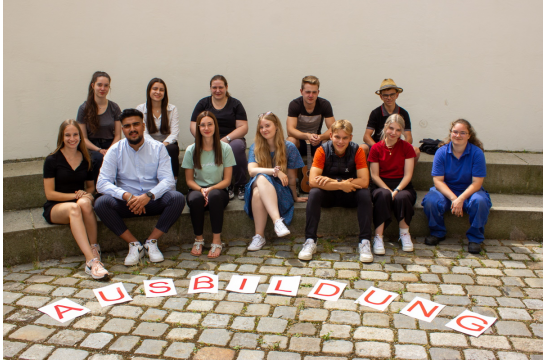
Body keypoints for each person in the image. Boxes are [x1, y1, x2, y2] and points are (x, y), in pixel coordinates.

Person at [95, 108, 185, 266]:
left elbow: (168, 180)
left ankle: (151, 241)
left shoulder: (158, 148)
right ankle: (134, 245)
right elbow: (101, 183)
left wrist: (148, 196)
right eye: (127, 126)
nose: (132, 129)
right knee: (101, 203)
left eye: (136, 124)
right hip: (127, 203)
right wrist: (127, 196)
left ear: (143, 126)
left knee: (177, 198)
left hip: (151, 200)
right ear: (123, 129)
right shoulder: (115, 150)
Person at [300, 120, 374, 262]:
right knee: (314, 193)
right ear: (330, 135)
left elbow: (364, 181)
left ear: (350, 138)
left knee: (365, 193)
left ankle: (365, 241)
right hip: (330, 195)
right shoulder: (322, 150)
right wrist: (340, 184)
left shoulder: (357, 150)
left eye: (345, 137)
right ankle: (310, 240)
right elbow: (313, 181)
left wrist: (332, 182)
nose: (341, 141)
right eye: (337, 137)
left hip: (350, 194)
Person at [43, 120, 108, 279]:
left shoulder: (86, 158)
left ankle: (94, 247)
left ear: (80, 136)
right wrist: (75, 195)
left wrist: (85, 194)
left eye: (75, 134)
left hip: (79, 203)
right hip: (57, 207)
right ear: (61, 137)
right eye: (67, 135)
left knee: (85, 203)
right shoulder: (52, 160)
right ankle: (91, 261)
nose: (72, 138)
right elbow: (50, 194)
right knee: (75, 207)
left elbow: (91, 188)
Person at [421, 119, 492, 254]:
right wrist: (454, 198)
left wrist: (461, 198)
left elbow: (477, 182)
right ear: (451, 133)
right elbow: (438, 181)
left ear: (469, 135)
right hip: (446, 191)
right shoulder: (441, 152)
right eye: (455, 132)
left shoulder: (477, 153)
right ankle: (437, 232)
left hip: (469, 191)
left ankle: (475, 238)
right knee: (431, 201)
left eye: (462, 133)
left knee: (481, 201)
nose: (458, 135)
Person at [244, 112, 307, 251]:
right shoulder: (256, 147)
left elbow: (291, 178)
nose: (264, 129)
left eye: (267, 125)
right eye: (261, 127)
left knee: (257, 193)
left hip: (280, 191)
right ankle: (277, 221)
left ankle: (259, 236)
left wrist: (294, 197)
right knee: (260, 177)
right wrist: (274, 171)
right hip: (258, 181)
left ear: (276, 126)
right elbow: (252, 171)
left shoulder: (289, 147)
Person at [182, 111, 235, 258]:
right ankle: (198, 240)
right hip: (196, 189)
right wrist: (201, 190)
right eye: (203, 125)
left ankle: (216, 241)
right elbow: (189, 180)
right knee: (195, 199)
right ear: (198, 128)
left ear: (215, 126)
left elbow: (227, 180)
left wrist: (210, 189)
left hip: (218, 190)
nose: (206, 128)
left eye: (209, 124)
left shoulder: (225, 148)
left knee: (215, 196)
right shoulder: (191, 150)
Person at [190, 75, 248, 200]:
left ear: (226, 87)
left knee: (237, 147)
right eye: (214, 87)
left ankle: (241, 184)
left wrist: (226, 139)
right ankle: (227, 185)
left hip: (231, 139)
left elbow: (243, 127)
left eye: (221, 87)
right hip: (207, 138)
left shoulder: (235, 104)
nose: (217, 90)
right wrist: (206, 138)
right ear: (210, 88)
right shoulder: (203, 103)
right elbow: (193, 125)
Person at [368, 114, 417, 254]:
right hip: (381, 185)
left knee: (403, 197)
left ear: (401, 131)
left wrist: (396, 190)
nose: (394, 133)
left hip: (402, 185)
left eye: (398, 130)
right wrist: (388, 190)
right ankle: (378, 237)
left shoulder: (406, 147)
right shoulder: (376, 148)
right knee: (383, 196)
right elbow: (375, 175)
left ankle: (405, 234)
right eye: (391, 128)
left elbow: (408, 175)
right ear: (385, 127)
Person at [77, 71, 122, 183]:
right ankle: (99, 192)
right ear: (93, 86)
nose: (102, 88)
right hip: (92, 147)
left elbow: (117, 135)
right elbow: (83, 138)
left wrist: (109, 150)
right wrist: (99, 150)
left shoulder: (114, 107)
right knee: (98, 158)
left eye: (106, 85)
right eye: (99, 85)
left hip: (110, 145)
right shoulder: (84, 109)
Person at [361, 79, 420, 162]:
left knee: (416, 151)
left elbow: (408, 137)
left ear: (397, 95)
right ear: (381, 97)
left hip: (396, 145)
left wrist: (400, 148)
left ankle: (407, 174)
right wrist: (377, 148)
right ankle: (365, 175)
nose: (389, 98)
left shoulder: (403, 113)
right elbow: (366, 136)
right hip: (377, 144)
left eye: (392, 95)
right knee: (362, 148)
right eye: (385, 95)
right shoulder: (375, 113)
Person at [136, 78, 180, 180]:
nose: (158, 92)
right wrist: (156, 145)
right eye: (155, 89)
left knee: (172, 149)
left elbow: (175, 133)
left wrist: (162, 145)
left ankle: (174, 180)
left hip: (167, 143)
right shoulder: (140, 109)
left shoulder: (172, 109)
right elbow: (143, 132)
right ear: (149, 91)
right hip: (148, 142)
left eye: (161, 90)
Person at [286, 75, 336, 158]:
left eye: (314, 92)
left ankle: (327, 170)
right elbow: (290, 130)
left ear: (318, 92)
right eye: (308, 92)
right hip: (300, 141)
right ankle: (291, 170)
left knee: (331, 142)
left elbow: (333, 129)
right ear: (301, 91)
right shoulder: (295, 104)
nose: (311, 95)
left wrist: (320, 137)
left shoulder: (324, 104)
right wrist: (308, 136)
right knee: (291, 141)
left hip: (316, 141)